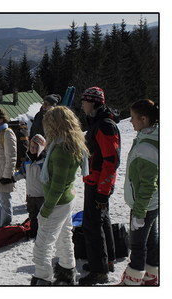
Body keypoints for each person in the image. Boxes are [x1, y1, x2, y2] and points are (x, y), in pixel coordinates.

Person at [30, 106, 89, 286]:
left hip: (57, 202)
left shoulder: (63, 148)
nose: (45, 128)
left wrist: (46, 209)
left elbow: (58, 184)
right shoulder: (65, 142)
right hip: (66, 200)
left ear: (55, 124)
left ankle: (43, 278)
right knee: (64, 238)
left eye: (48, 123)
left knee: (43, 245)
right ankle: (66, 271)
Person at [79, 86, 121, 285]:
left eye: (84, 101)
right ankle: (107, 261)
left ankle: (99, 271)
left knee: (92, 225)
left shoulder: (105, 126)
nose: (82, 105)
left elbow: (111, 160)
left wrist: (103, 190)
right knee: (101, 221)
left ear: (94, 102)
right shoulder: (97, 123)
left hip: (98, 184)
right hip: (95, 182)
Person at [118, 99, 159, 285]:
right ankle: (151, 277)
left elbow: (148, 185)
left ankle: (132, 282)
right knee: (151, 241)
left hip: (144, 206)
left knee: (137, 244)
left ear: (143, 119)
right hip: (152, 204)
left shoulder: (146, 148)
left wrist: (139, 213)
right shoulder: (149, 138)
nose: (130, 121)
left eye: (133, 117)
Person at [13, 134, 47, 239]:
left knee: (43, 215)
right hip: (31, 194)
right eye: (31, 146)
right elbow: (22, 173)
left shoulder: (44, 162)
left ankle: (44, 232)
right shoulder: (27, 161)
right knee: (32, 214)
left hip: (42, 194)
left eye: (35, 147)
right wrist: (11, 179)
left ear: (41, 148)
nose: (32, 149)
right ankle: (33, 230)